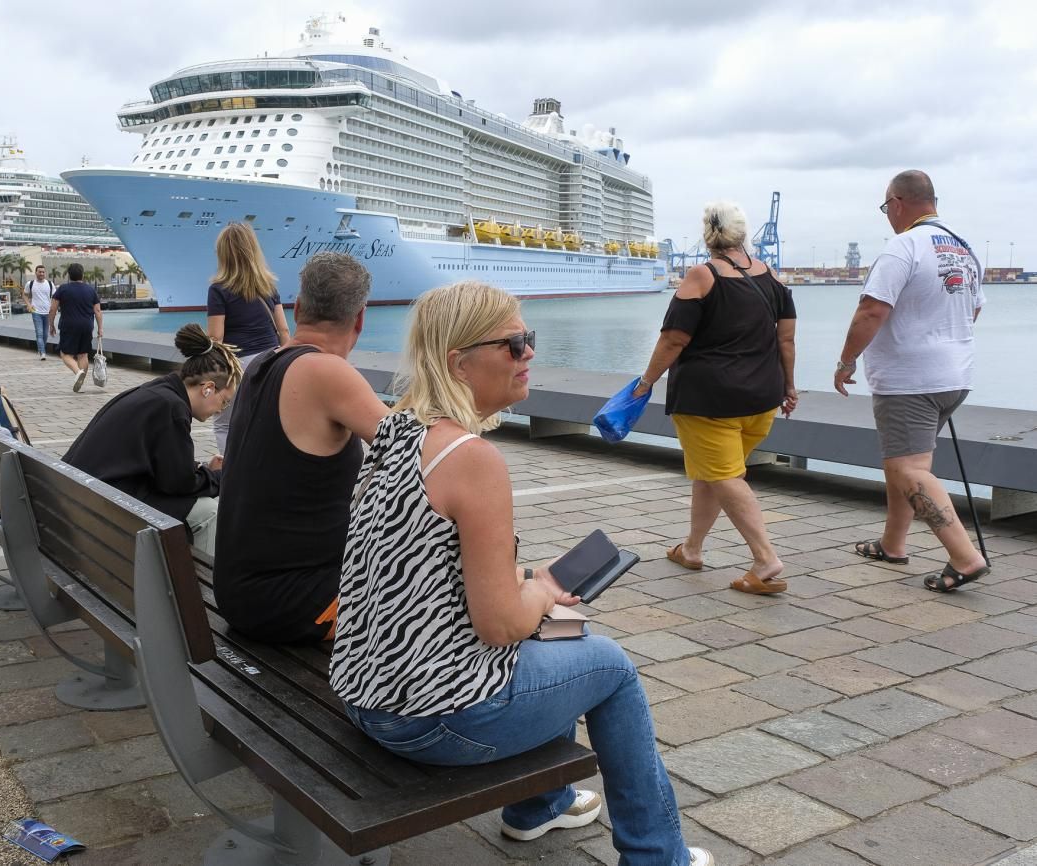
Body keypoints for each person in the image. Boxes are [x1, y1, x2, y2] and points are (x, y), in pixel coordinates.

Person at [329, 281, 712, 865]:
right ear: (460, 362)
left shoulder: (394, 434)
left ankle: (539, 807)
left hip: (368, 695)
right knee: (609, 664)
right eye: (513, 343)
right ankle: (658, 855)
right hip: (431, 719)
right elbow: (500, 627)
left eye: (527, 339)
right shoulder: (472, 459)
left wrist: (531, 593)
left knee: (565, 635)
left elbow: (426, 568)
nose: (529, 352)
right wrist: (539, 589)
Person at [212, 252, 388, 644]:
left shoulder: (261, 365)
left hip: (242, 593)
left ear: (297, 309)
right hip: (297, 602)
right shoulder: (326, 371)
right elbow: (419, 451)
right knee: (446, 591)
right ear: (360, 318)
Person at [835, 170, 989, 593]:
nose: (887, 216)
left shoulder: (903, 247)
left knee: (908, 468)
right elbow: (973, 309)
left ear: (898, 202)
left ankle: (964, 557)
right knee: (902, 462)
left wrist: (846, 361)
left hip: (909, 379)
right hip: (956, 375)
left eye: (887, 208)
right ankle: (893, 543)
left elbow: (871, 311)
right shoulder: (965, 248)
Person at [635, 201, 797, 595]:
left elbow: (674, 338)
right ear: (743, 234)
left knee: (725, 476)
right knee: (711, 472)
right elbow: (786, 338)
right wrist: (788, 387)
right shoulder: (771, 276)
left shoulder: (701, 275)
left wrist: (646, 382)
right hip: (761, 399)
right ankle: (691, 549)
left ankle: (765, 559)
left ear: (708, 237)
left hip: (709, 401)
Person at [63, 324, 242, 554]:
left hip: (79, 499)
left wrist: (202, 470)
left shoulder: (159, 392)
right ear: (208, 388)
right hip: (96, 514)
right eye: (224, 401)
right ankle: (201, 587)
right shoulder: (172, 407)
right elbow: (178, 483)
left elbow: (167, 470)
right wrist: (218, 477)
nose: (221, 410)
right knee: (207, 512)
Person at [206, 222, 291, 453]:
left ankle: (232, 474)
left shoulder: (219, 289)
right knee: (265, 420)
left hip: (238, 364)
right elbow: (283, 330)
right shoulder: (268, 286)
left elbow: (216, 337)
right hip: (270, 360)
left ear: (223, 253)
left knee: (224, 424)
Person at [49, 263, 103, 392]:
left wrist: (51, 324)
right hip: (87, 325)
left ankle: (77, 372)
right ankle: (80, 382)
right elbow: (98, 311)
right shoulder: (90, 290)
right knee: (83, 354)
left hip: (69, 325)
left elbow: (53, 309)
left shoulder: (63, 289)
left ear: (69, 275)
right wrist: (100, 328)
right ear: (82, 274)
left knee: (65, 353)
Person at [25, 264, 55, 360]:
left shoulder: (50, 284)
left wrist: (53, 309)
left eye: (43, 272)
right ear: (36, 272)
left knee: (45, 334)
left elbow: (55, 298)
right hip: (36, 312)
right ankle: (42, 352)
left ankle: (41, 349)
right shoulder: (30, 283)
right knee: (39, 333)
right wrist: (29, 305)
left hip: (47, 312)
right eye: (40, 272)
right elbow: (25, 295)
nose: (41, 273)